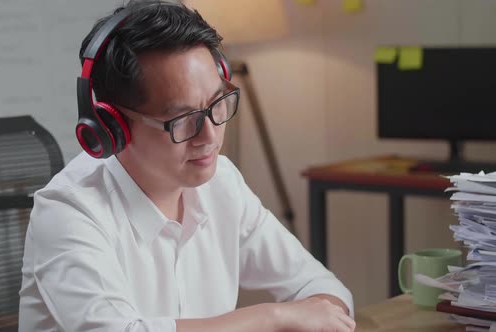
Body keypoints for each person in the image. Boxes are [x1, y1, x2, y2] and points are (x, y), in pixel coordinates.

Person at [19, 1, 355, 331]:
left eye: (216, 104)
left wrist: (317, 314)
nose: (209, 135)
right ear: (113, 126)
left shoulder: (222, 182)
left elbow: (324, 290)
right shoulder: (67, 211)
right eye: (183, 119)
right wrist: (274, 317)